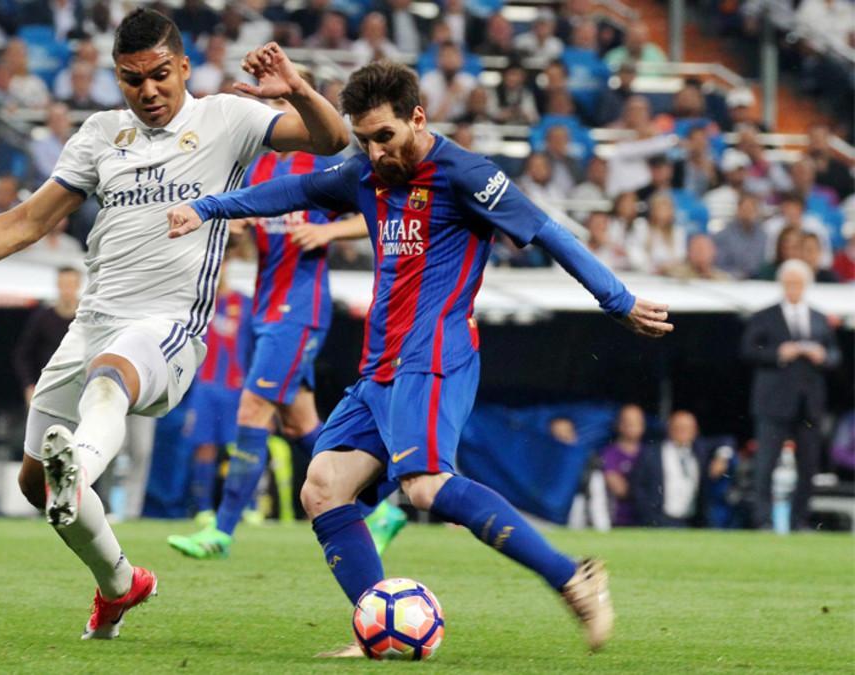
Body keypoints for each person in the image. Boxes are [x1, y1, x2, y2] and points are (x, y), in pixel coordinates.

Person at [0, 9, 348, 640]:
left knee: (110, 378)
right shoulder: (99, 135)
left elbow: (332, 139)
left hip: (168, 327)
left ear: (182, 68)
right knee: (37, 485)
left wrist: (299, 90)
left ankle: (84, 467)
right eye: (131, 79)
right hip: (93, 322)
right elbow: (25, 222)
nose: (148, 91)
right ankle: (120, 583)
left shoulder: (228, 119)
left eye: (158, 76)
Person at [167, 60, 675, 654]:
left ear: (417, 117)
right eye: (365, 140)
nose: (377, 151)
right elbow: (295, 189)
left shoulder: (466, 173)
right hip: (380, 363)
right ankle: (377, 622)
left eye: (386, 136)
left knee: (427, 486)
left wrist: (618, 301)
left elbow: (547, 232)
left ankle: (572, 576)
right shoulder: (365, 171)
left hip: (435, 352)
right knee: (323, 487)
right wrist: (208, 208)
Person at [168, 79, 406, 560]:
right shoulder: (259, 166)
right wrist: (239, 228)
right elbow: (251, 225)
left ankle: (223, 529)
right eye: (272, 107)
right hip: (265, 305)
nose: (279, 115)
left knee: (252, 409)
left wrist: (331, 232)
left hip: (299, 309)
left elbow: (377, 209)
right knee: (301, 426)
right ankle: (380, 507)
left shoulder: (321, 163)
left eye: (285, 104)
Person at [741, 260, 842, 531]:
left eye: (799, 283)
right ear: (782, 284)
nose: (794, 288)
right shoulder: (765, 316)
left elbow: (835, 356)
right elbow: (748, 351)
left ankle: (800, 520)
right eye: (790, 282)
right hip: (773, 403)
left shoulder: (819, 317)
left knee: (808, 467)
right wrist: (777, 354)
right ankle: (763, 520)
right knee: (766, 465)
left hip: (809, 404)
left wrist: (823, 356)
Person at [180, 260, 252, 522]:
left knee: (239, 449)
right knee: (205, 448)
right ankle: (203, 509)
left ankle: (247, 507)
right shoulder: (196, 305)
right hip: (205, 388)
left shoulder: (244, 303)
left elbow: (254, 346)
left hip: (235, 387)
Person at [12, 266, 83, 406]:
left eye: (71, 284)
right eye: (63, 285)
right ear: (57, 285)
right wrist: (29, 385)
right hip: (47, 387)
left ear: (78, 286)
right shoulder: (43, 317)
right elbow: (22, 354)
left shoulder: (87, 319)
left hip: (80, 387)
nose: (67, 290)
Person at [599, 404, 646, 527]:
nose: (632, 426)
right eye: (628, 422)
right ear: (619, 424)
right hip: (617, 520)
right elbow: (620, 490)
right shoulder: (609, 453)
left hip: (645, 519)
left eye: (636, 422)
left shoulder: (650, 453)